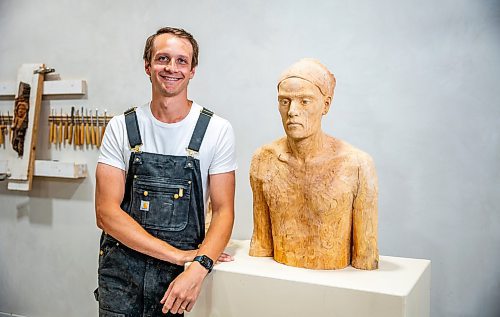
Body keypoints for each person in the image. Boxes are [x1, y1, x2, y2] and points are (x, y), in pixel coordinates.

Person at [94, 27, 237, 316]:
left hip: (180, 281)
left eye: (182, 61)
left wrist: (198, 267)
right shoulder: (121, 127)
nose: (172, 68)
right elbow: (105, 213)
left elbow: (224, 211)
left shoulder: (216, 130)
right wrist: (178, 254)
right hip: (121, 278)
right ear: (147, 66)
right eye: (162, 59)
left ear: (193, 70)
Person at [249, 58, 378, 270]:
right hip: (280, 281)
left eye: (304, 101)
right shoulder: (264, 159)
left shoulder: (356, 164)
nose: (292, 111)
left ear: (325, 105)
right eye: (284, 101)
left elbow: (366, 257)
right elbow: (261, 246)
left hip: (335, 286)